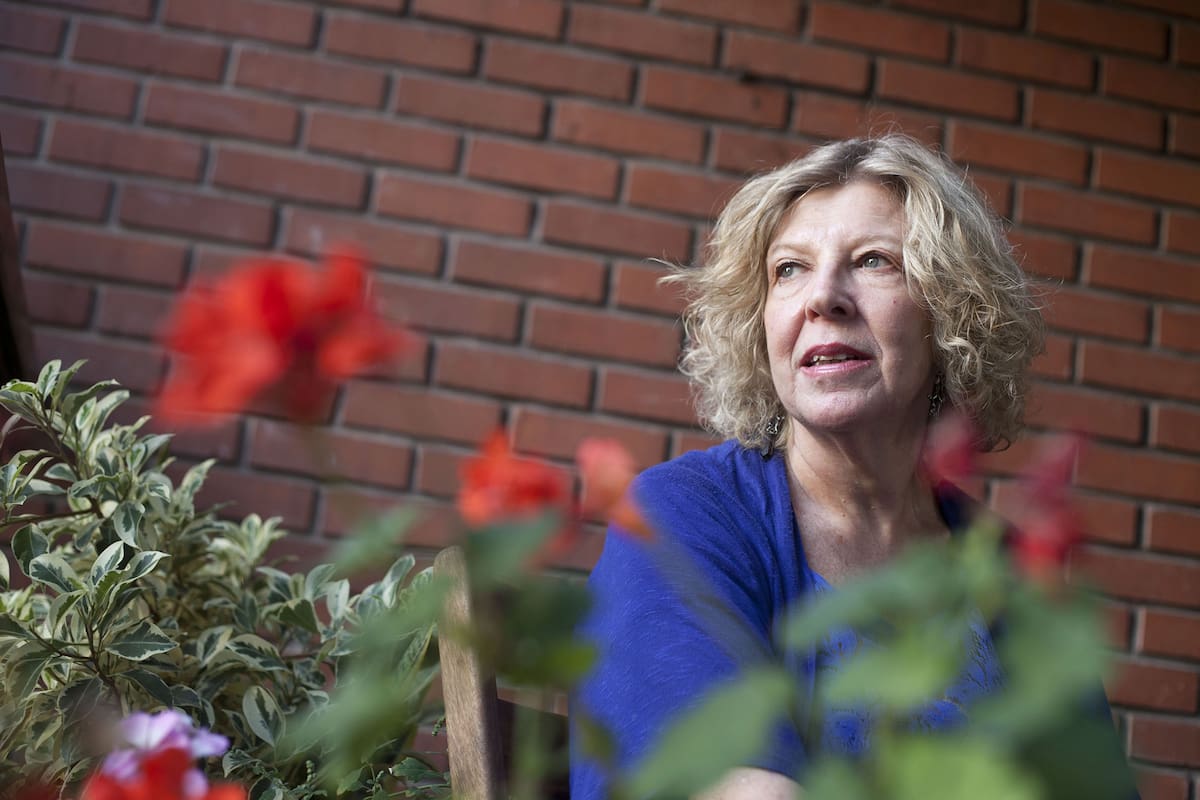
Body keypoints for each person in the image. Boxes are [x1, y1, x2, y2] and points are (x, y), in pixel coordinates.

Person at [569, 135, 1049, 799]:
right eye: (788, 269)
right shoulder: (682, 518)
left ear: (950, 313)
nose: (823, 296)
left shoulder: (1014, 578)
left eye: (874, 261)